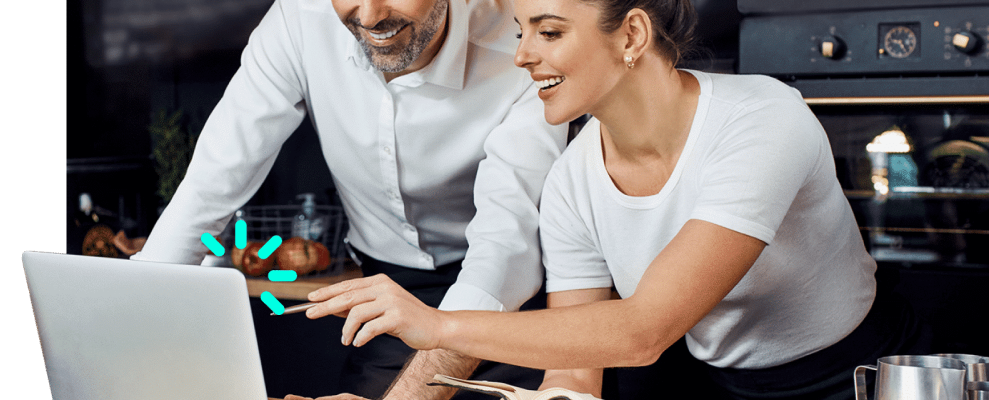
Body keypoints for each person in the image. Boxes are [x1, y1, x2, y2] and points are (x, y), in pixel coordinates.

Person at [299, 0, 934, 398]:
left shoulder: (762, 119)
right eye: (520, 31)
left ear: (631, 34)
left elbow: (642, 331)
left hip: (855, 379)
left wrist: (436, 325)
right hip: (708, 384)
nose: (521, 56)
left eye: (547, 32)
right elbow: (579, 371)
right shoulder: (572, 182)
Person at [130, 0, 571, 398]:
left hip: (514, 305)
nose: (370, 15)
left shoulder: (523, 46)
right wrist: (129, 323)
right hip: (386, 295)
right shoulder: (298, 20)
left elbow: (504, 251)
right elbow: (210, 184)